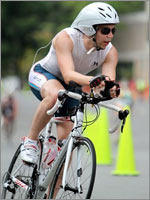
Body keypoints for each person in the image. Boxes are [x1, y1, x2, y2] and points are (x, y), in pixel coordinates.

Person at [21, 2, 120, 164]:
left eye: (113, 30)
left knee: (65, 152)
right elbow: (68, 75)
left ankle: (49, 185)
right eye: (105, 30)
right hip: (45, 74)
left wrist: (109, 90)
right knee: (55, 95)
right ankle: (30, 142)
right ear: (90, 29)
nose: (110, 35)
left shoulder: (111, 53)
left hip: (73, 85)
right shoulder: (65, 38)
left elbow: (106, 84)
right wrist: (94, 81)